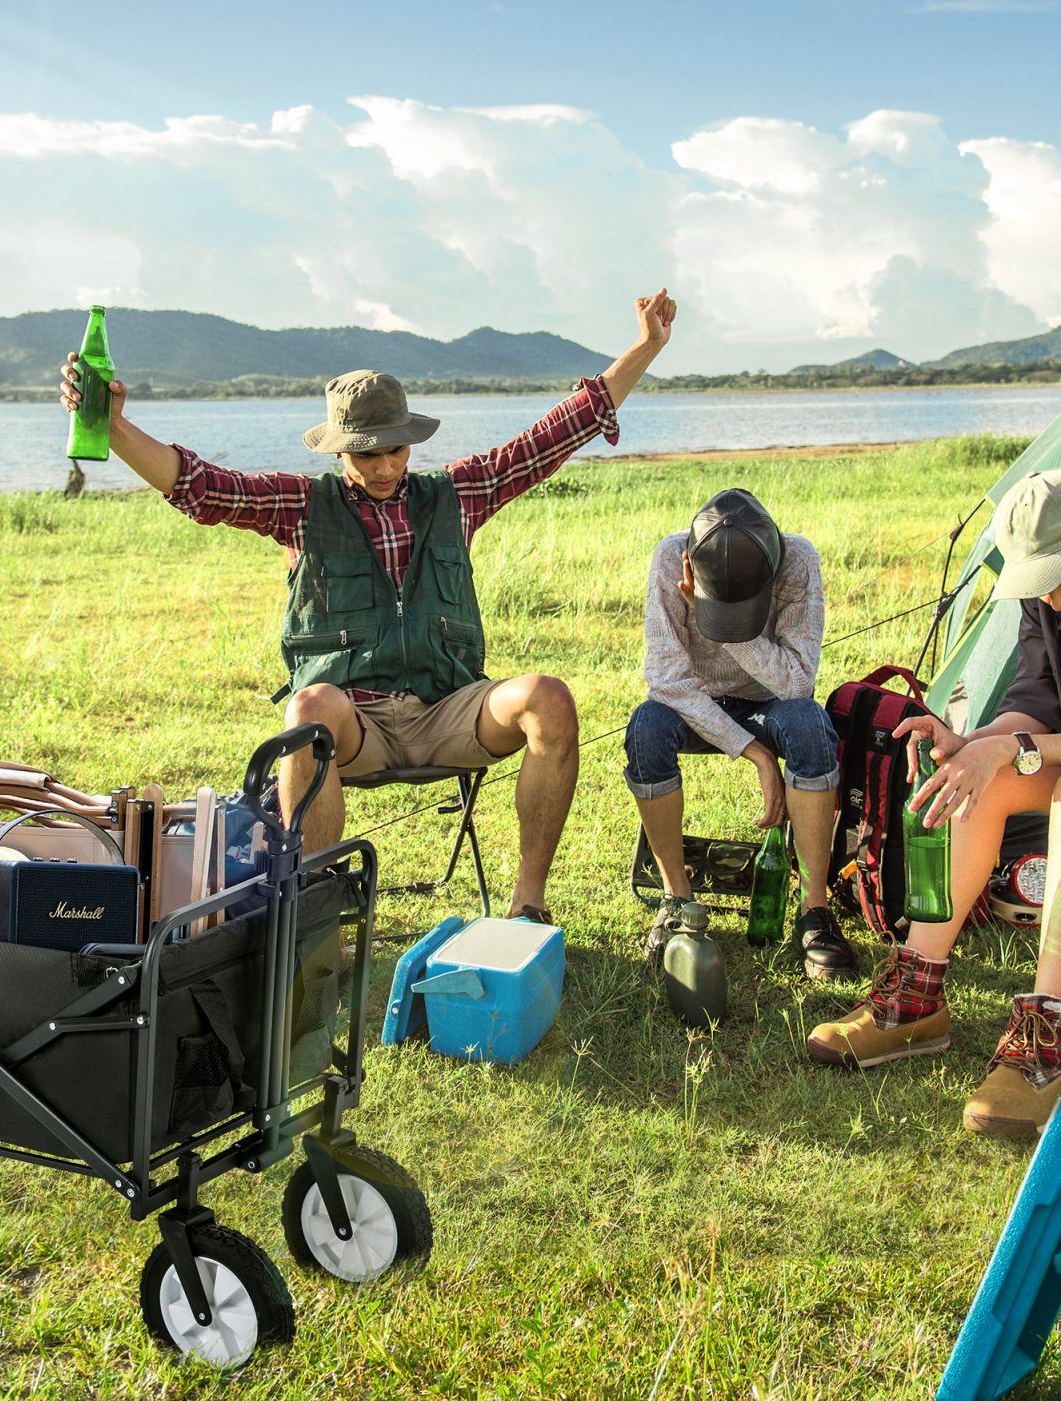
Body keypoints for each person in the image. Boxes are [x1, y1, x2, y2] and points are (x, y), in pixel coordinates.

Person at [59, 289, 678, 921]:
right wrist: (111, 425)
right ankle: (316, 914)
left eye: (395, 449)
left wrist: (646, 347)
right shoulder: (301, 505)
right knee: (309, 706)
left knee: (549, 695)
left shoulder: (458, 494)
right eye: (366, 452)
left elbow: (555, 434)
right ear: (337, 450)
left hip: (448, 709)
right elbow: (199, 485)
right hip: (356, 727)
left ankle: (527, 906)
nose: (384, 466)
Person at [807, 471, 1061, 1138]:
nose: (1050, 593)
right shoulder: (1047, 598)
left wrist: (1016, 750)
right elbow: (1035, 698)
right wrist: (972, 744)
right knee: (980, 781)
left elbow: (1035, 740)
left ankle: (1051, 1033)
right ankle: (916, 997)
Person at [625, 488, 855, 980]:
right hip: (694, 704)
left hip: (771, 702)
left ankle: (815, 910)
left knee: (811, 727)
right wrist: (754, 753)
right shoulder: (671, 558)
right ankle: (677, 900)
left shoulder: (798, 560)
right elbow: (667, 682)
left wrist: (729, 629)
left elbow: (797, 682)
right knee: (645, 730)